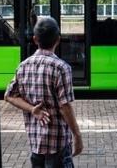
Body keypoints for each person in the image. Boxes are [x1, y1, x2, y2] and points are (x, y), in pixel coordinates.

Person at [5, 17, 83, 167]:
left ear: (35, 39)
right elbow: (64, 106)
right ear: (58, 40)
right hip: (58, 147)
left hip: (36, 145)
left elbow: (8, 96)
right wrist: (77, 135)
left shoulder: (23, 66)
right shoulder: (61, 68)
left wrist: (32, 110)